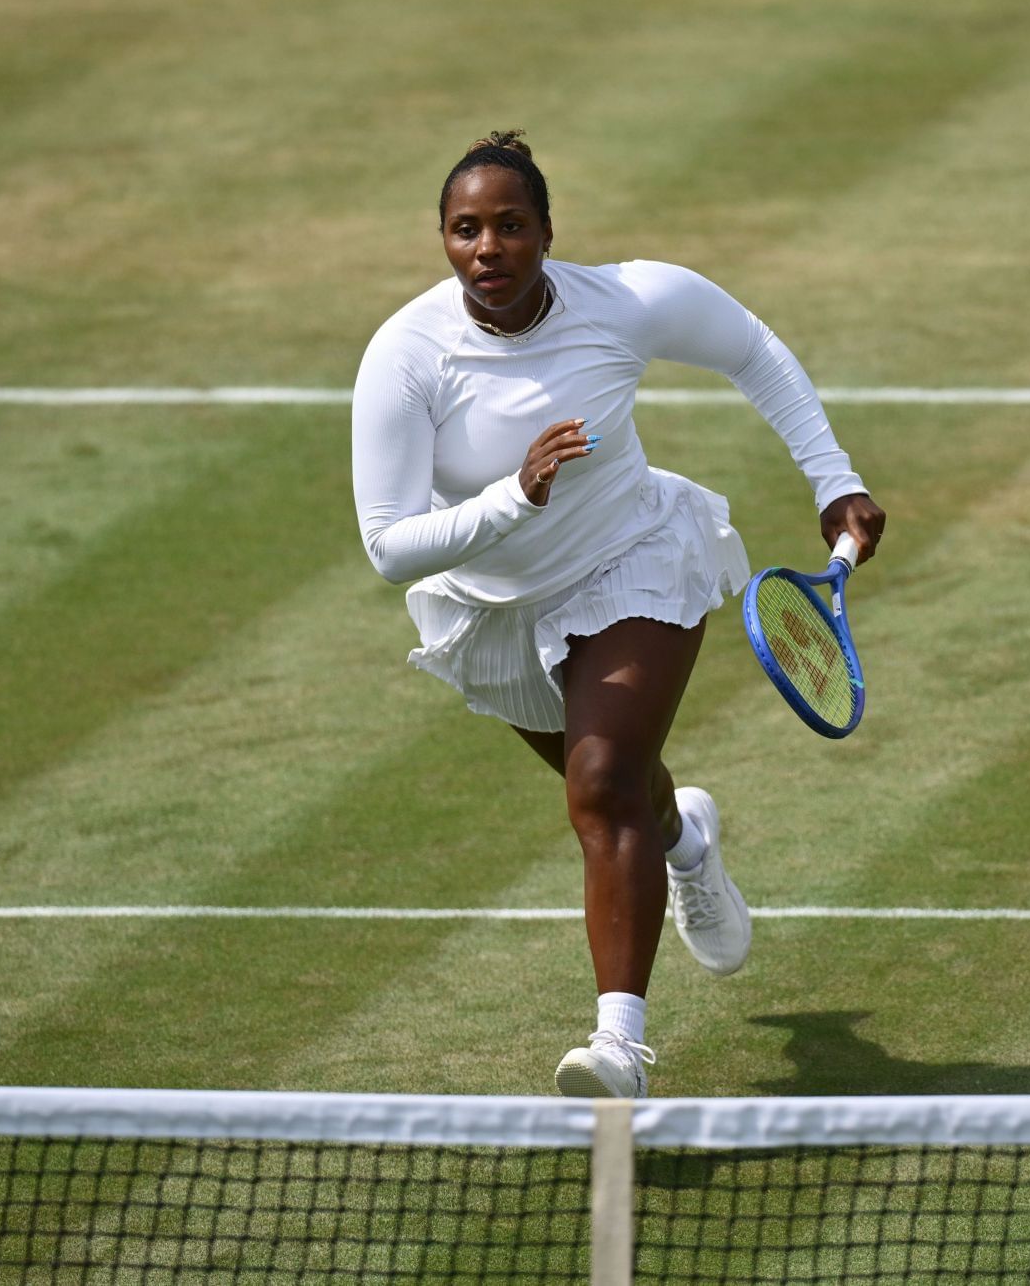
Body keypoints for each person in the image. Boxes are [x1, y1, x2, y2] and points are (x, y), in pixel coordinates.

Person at [351, 131, 886, 1097]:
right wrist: (515, 497)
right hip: (492, 612)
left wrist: (834, 479)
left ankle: (619, 1048)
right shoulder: (405, 355)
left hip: (629, 561)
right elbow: (389, 547)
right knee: (625, 792)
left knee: (600, 785)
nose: (488, 248)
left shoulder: (626, 302)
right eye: (466, 230)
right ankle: (689, 843)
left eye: (511, 226)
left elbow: (753, 350)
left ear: (547, 233)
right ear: (443, 240)